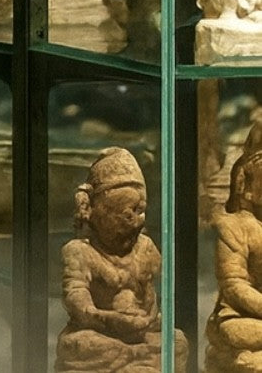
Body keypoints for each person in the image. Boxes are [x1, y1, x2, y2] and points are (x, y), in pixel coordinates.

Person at [55, 148, 187, 373]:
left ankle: (138, 361)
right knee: (81, 344)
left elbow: (168, 283)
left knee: (178, 341)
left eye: (140, 211)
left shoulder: (145, 247)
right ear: (94, 213)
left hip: (145, 333)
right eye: (126, 215)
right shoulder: (80, 251)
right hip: (103, 334)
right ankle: (135, 361)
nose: (136, 223)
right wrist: (105, 318)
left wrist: (157, 317)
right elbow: (76, 296)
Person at [205, 131, 262, 373]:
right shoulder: (235, 226)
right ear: (246, 186)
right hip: (241, 317)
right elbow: (233, 284)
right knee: (235, 333)